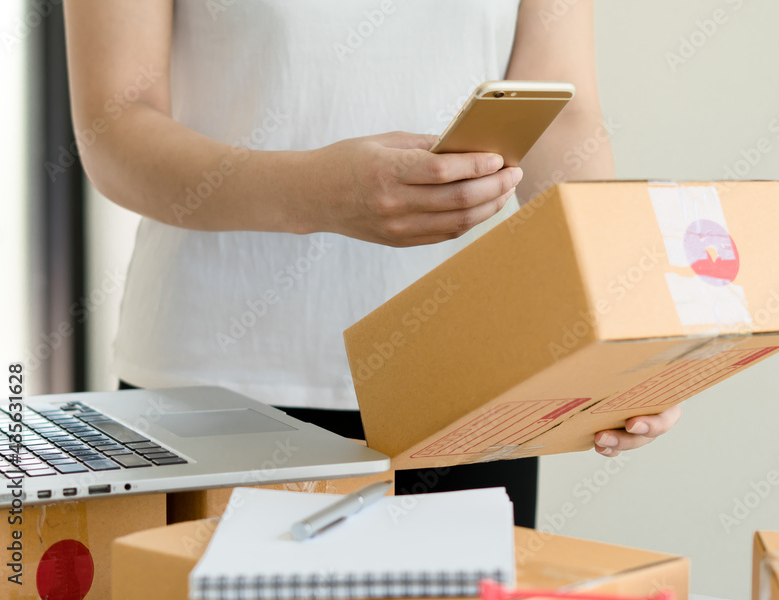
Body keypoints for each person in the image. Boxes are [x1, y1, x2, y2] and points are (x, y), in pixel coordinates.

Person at [63, 0, 682, 527]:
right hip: (213, 389)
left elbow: (560, 112)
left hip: (470, 387)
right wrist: (312, 193)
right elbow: (114, 129)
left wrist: (624, 326)